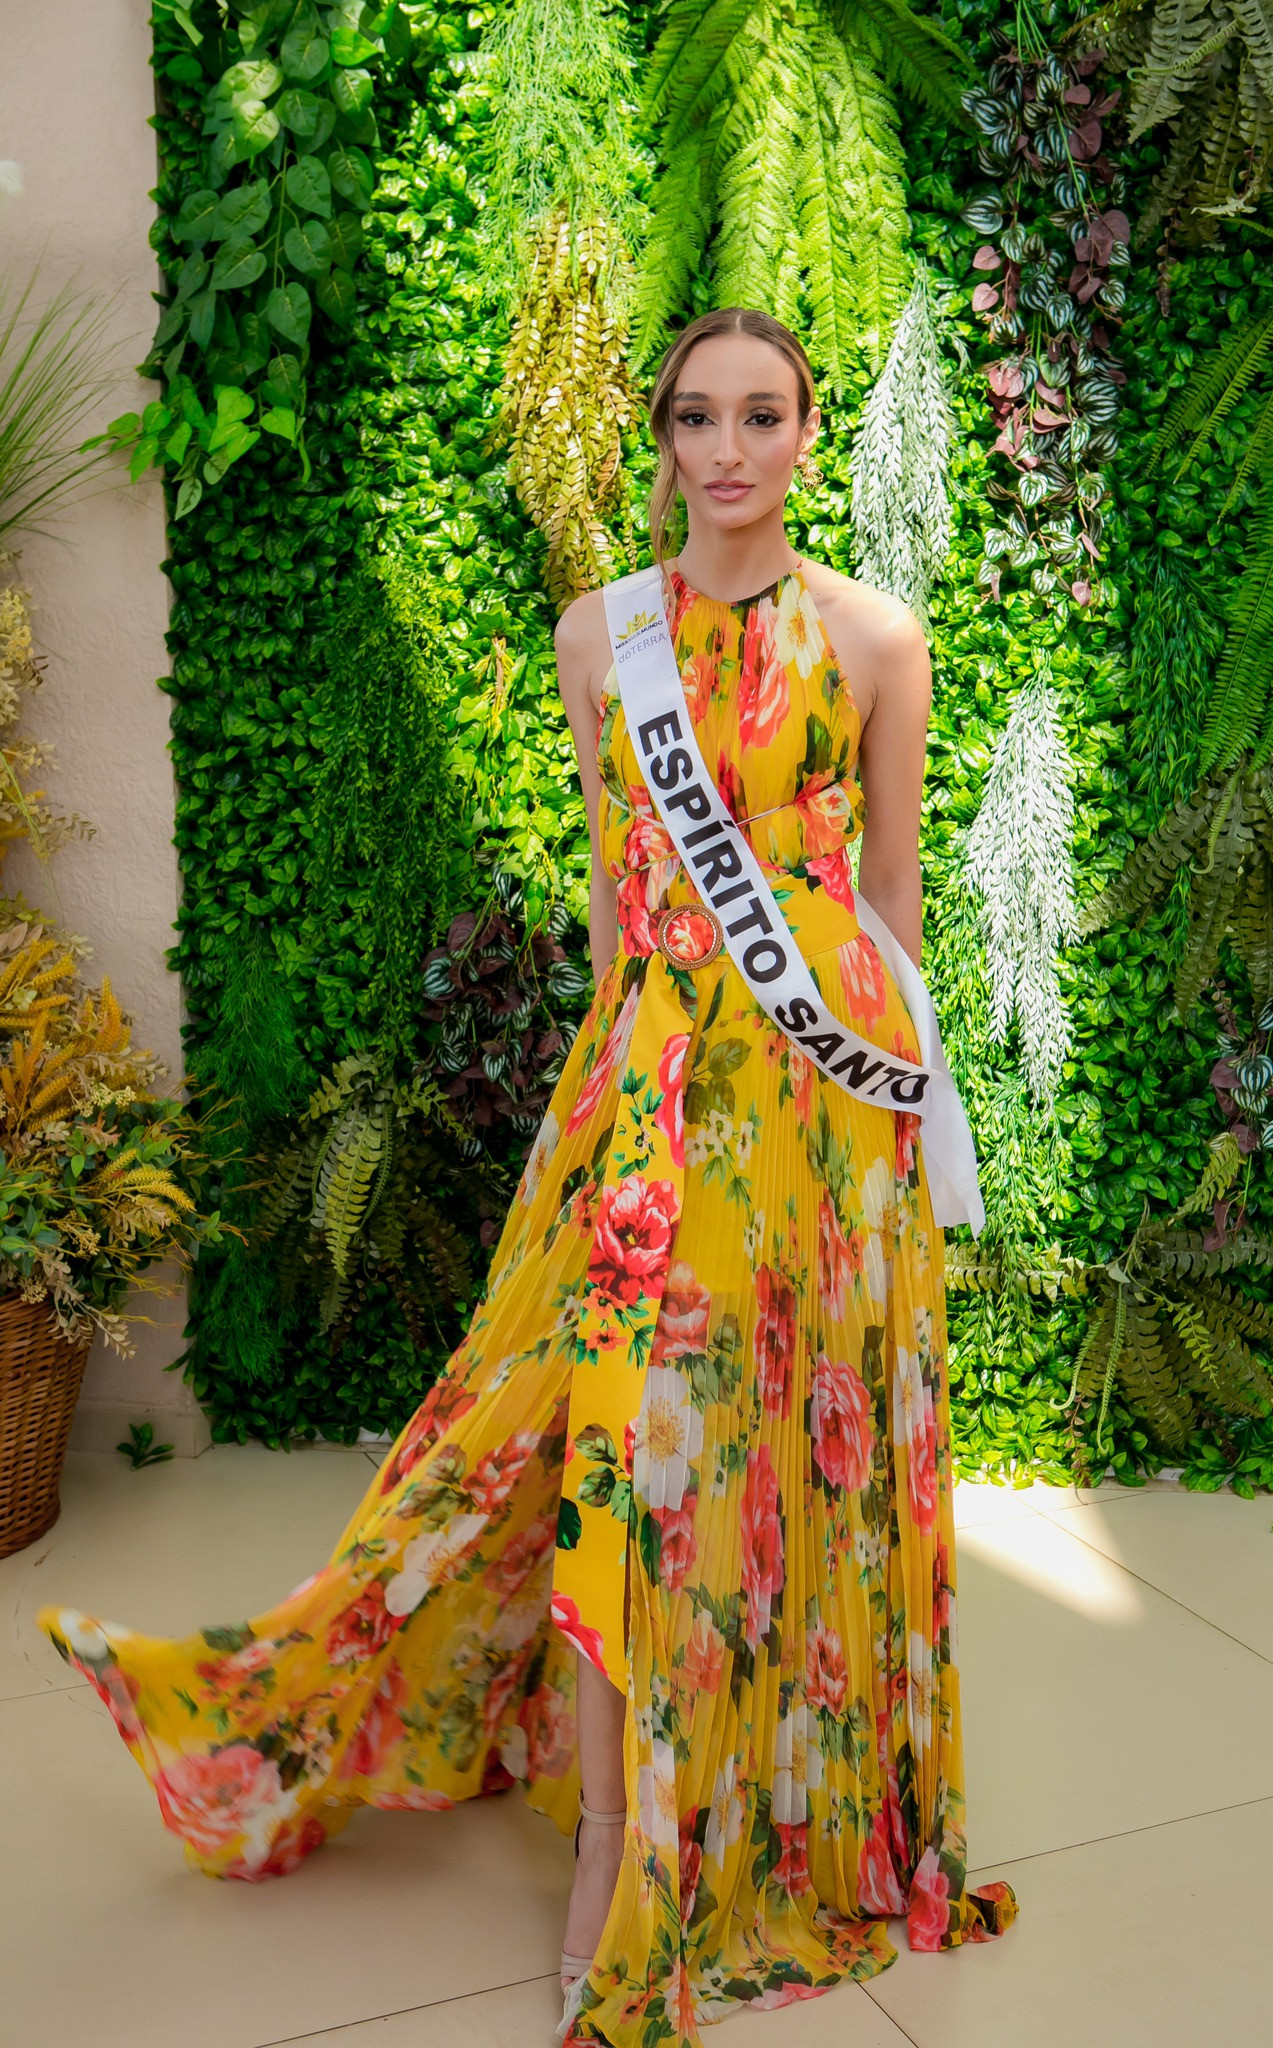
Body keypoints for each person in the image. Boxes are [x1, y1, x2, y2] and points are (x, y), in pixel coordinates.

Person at [39, 306, 1016, 2047]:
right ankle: (615, 1848)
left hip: (820, 1107)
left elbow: (889, 905)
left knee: (781, 1451)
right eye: (696, 418)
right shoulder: (600, 637)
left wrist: (885, 1128)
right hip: (647, 1090)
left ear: (808, 435)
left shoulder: (877, 637)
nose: (727, 451)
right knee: (611, 1445)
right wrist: (618, 1076)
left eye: (762, 417)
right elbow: (611, 884)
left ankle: (779, 1805)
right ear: (661, 438)